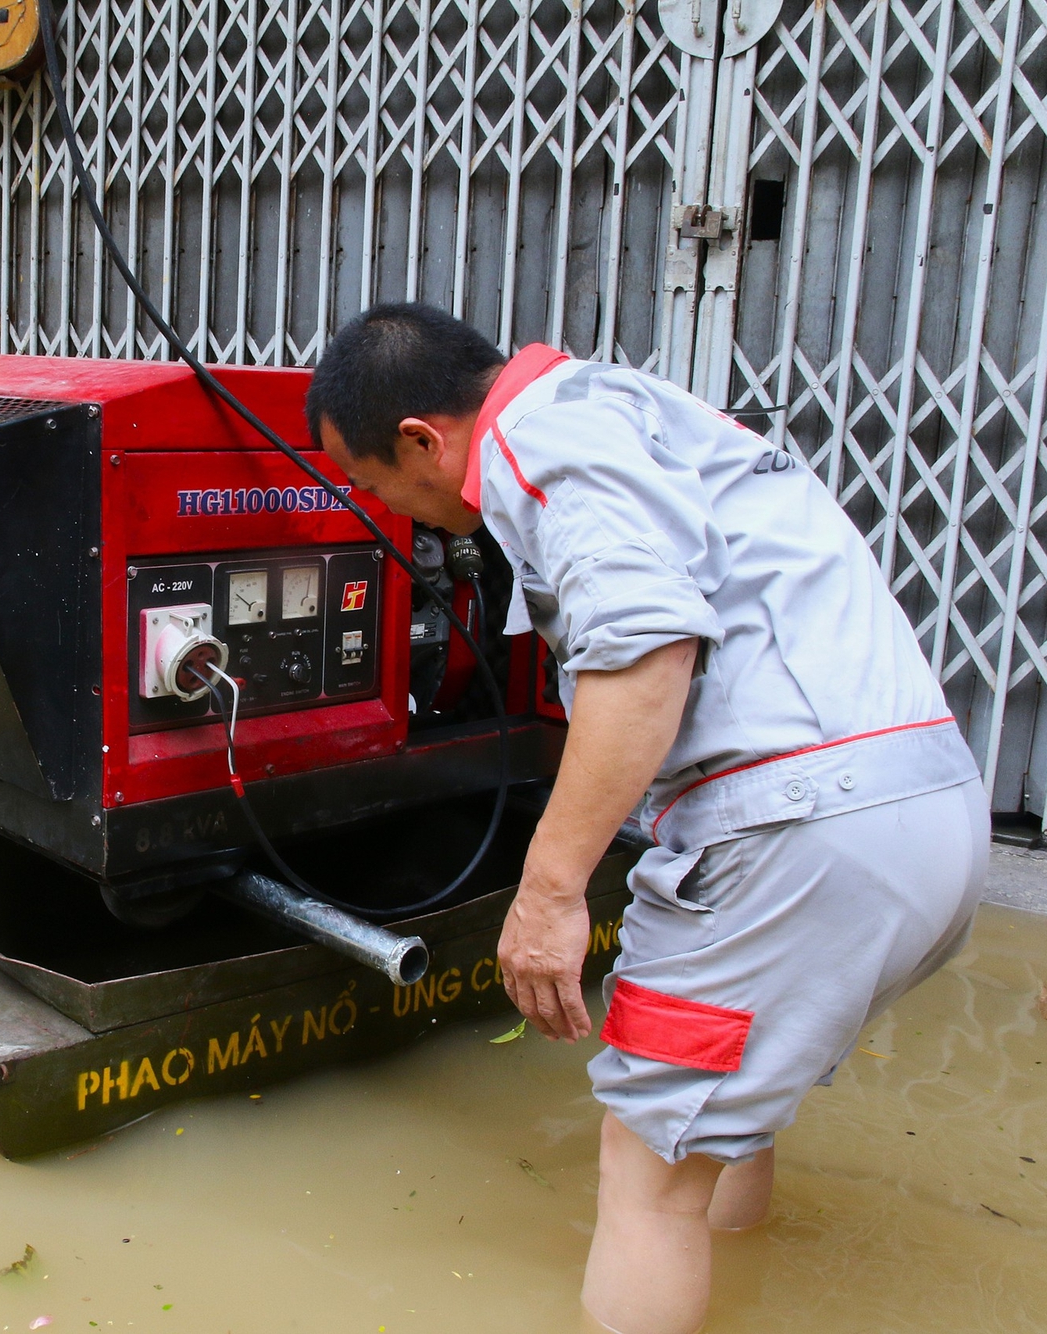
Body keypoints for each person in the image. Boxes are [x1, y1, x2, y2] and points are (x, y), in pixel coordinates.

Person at [306, 304, 988, 1334]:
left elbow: (644, 651)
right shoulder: (629, 407)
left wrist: (546, 891)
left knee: (643, 1168)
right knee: (717, 1125)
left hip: (789, 829)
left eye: (372, 485)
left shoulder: (533, 442)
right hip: (922, 816)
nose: (388, 509)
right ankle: (731, 1278)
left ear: (420, 441)